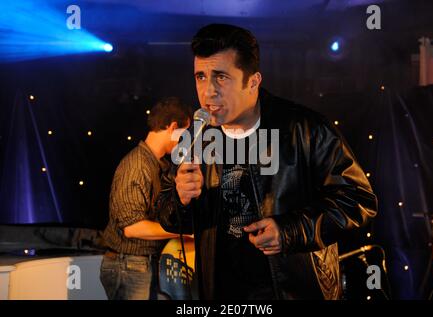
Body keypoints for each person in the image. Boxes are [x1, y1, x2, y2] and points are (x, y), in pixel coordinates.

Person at [157, 24, 378, 300]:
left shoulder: (305, 129)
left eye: (221, 77)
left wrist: (290, 231)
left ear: (253, 81)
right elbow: (167, 214)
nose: (208, 91)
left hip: (293, 291)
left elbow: (358, 201)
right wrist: (181, 198)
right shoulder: (195, 139)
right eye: (200, 76)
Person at [100, 97, 191, 300]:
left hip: (140, 264)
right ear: (173, 127)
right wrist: (183, 234)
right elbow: (132, 228)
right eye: (185, 133)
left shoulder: (159, 165)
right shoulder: (137, 165)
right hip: (129, 265)